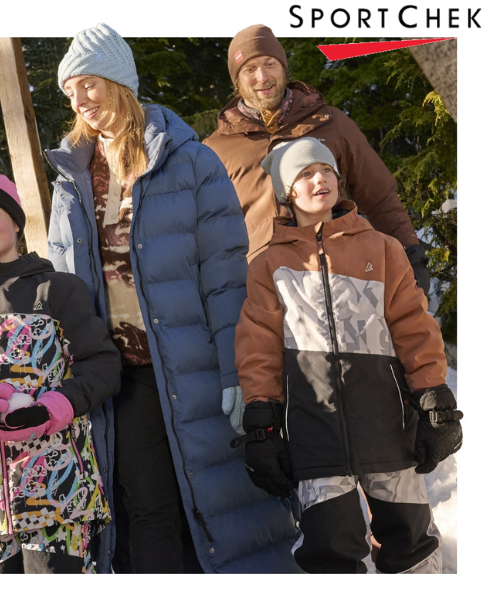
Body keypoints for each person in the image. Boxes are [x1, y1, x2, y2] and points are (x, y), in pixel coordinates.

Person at [44, 23, 301, 574]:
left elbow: (224, 277)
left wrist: (237, 371)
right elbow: (65, 284)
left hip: (192, 365)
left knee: (216, 506)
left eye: (88, 84)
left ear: (118, 81)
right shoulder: (71, 177)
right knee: (145, 510)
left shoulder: (188, 161)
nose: (79, 100)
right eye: (70, 91)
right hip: (116, 376)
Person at [233, 137, 463, 574]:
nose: (320, 178)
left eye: (327, 170)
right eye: (305, 174)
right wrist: (263, 420)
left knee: (410, 540)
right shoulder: (268, 266)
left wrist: (433, 396)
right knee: (330, 548)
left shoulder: (381, 248)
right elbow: (258, 347)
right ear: (287, 192)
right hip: (313, 431)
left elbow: (414, 328)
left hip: (386, 424)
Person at [0, 170, 122, 574]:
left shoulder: (58, 289)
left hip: (59, 492)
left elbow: (103, 366)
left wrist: (53, 408)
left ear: (15, 220)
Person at [203, 24, 430, 292]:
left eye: (270, 64)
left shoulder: (331, 123)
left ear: (284, 69)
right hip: (264, 288)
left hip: (344, 278)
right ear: (237, 82)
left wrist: (409, 253)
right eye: (250, 69)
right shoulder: (216, 149)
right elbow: (211, 232)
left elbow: (380, 196)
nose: (262, 77)